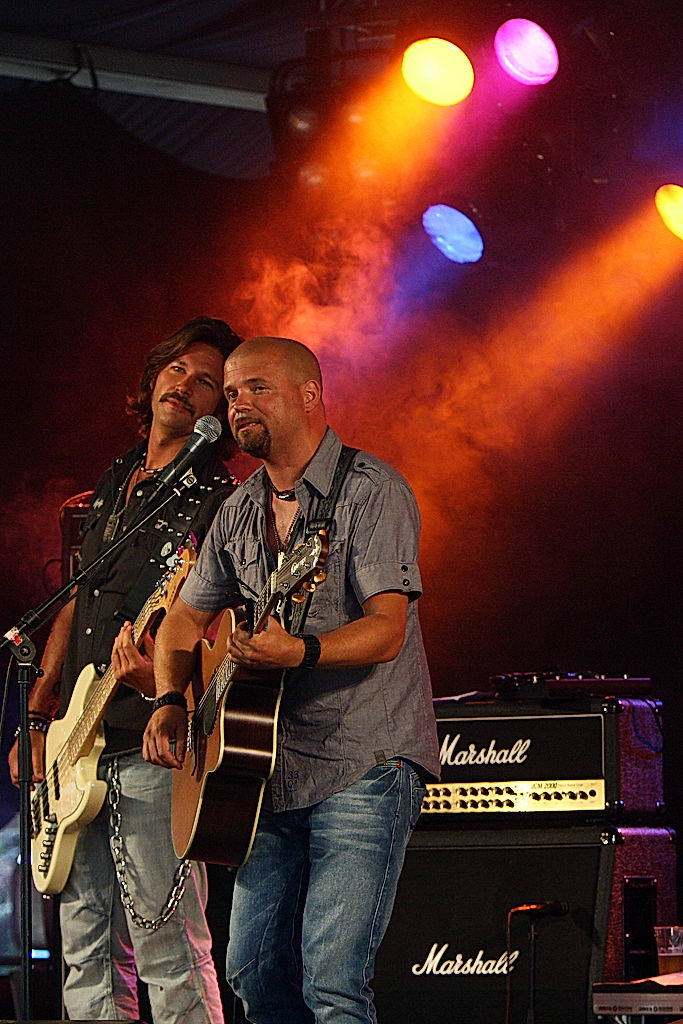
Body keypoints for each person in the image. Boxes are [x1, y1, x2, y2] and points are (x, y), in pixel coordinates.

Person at [143, 336, 441, 1024]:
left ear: (310, 395)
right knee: (250, 971)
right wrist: (167, 701)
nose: (238, 402)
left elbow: (387, 627)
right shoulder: (240, 508)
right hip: (263, 774)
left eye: (257, 388)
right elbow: (183, 622)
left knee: (333, 984)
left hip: (362, 760)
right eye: (234, 390)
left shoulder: (371, 491)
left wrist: (299, 651)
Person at [9, 316, 243, 1024]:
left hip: (153, 744)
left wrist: (165, 679)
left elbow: (225, 624)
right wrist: (43, 714)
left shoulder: (220, 500)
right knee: (84, 950)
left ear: (220, 411)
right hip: (78, 746)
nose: (187, 385)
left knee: (168, 947)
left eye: (208, 382)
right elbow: (78, 598)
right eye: (179, 368)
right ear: (153, 379)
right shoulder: (115, 481)